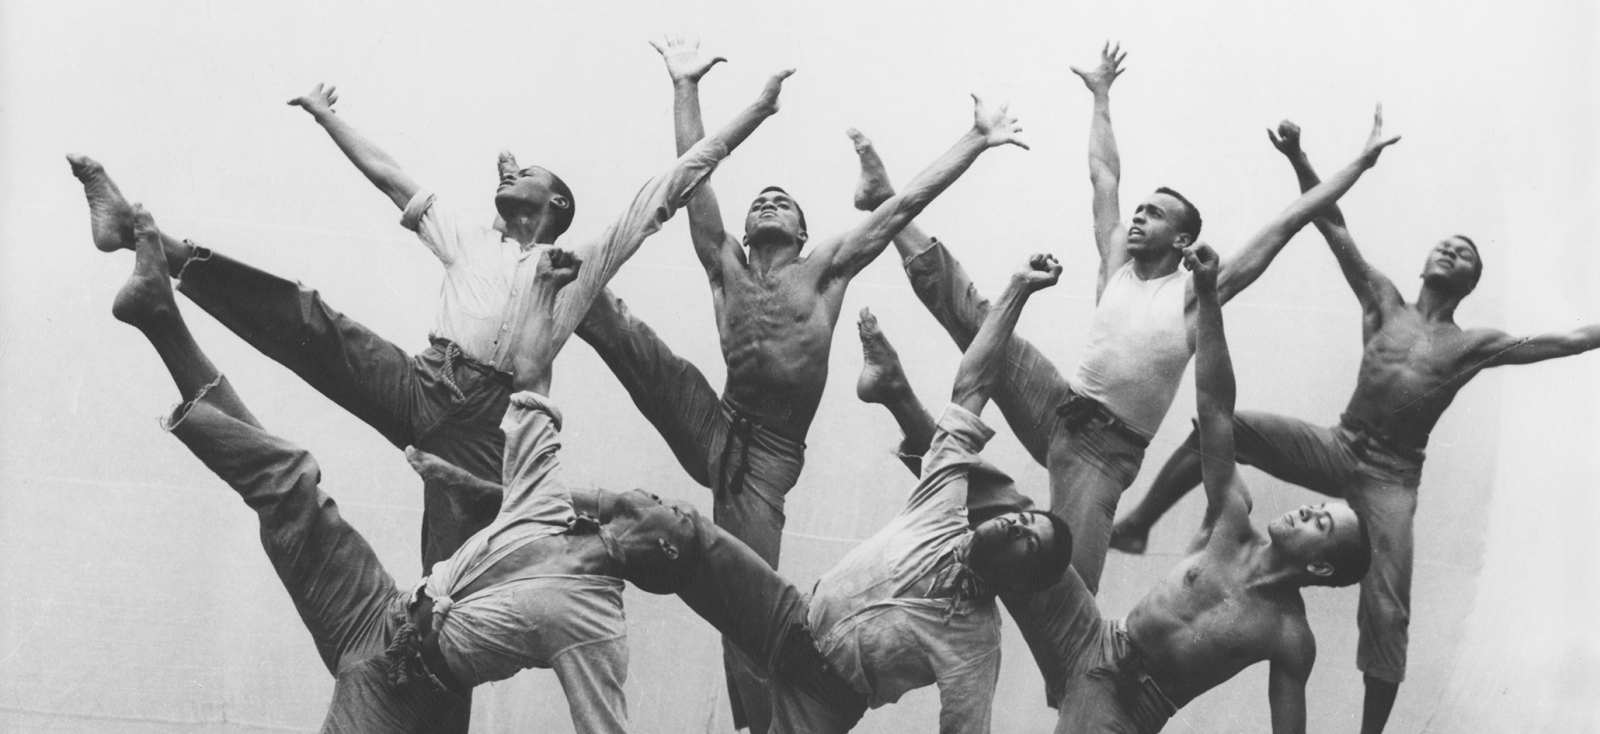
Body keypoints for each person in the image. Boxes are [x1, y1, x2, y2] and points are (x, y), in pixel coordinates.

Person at [66, 63, 790, 569]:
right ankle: (141, 235)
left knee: (447, 580)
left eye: (528, 175)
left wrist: (755, 110)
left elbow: (670, 186)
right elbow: (390, 176)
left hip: (483, 432)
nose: (512, 177)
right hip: (420, 381)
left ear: (556, 206)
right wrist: (326, 115)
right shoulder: (468, 237)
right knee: (309, 321)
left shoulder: (575, 267)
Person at [846, 45, 1399, 700]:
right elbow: (1104, 174)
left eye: (1154, 214)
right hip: (1061, 402)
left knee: (1068, 597)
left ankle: (1070, 694)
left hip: (1101, 456)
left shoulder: (1195, 293)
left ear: (1184, 239)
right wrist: (1101, 94)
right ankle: (889, 204)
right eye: (1140, 210)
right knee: (979, 317)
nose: (1137, 217)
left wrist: (1360, 163)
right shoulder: (1116, 262)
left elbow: (1289, 220)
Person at [106, 203, 712, 733]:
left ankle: (163, 306)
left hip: (401, 698)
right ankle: (159, 314)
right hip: (377, 611)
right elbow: (529, 386)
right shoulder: (550, 505)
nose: (666, 498)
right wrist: (545, 295)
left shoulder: (598, 628)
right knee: (289, 481)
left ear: (665, 548)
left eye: (677, 512)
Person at [573, 36, 1026, 731]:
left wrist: (976, 138)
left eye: (783, 201)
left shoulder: (827, 270)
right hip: (715, 422)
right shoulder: (723, 262)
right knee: (634, 341)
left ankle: (760, 727)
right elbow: (693, 176)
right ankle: (552, 283)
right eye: (762, 201)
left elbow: (902, 205)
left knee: (745, 606)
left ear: (802, 227)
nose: (769, 204)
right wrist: (685, 86)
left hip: (766, 462)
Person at [434, 255, 1075, 734]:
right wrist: (1015, 291)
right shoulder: (944, 510)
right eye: (1024, 519)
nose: (1016, 527)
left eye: (1028, 543)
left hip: (825, 700)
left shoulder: (975, 646)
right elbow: (973, 385)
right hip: (787, 617)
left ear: (1023, 581)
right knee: (673, 525)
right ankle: (499, 499)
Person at [1108, 120, 1600, 734]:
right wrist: (1299, 156)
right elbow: (1330, 224)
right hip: (1337, 446)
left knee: (1389, 609)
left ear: (1471, 281)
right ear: (1424, 264)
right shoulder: (1382, 300)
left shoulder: (1474, 343)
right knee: (1225, 426)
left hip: (1391, 477)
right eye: (1445, 244)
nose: (1452, 252)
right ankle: (1136, 522)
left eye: (1465, 254)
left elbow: (1569, 340)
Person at [872, 243, 1373, 733]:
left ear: (1321, 565)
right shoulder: (1232, 520)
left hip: (1131, 708)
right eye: (1316, 507)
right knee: (1016, 519)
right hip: (1094, 637)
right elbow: (1217, 409)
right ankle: (898, 397)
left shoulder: (1290, 637)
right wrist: (1208, 293)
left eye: (1319, 522)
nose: (1306, 511)